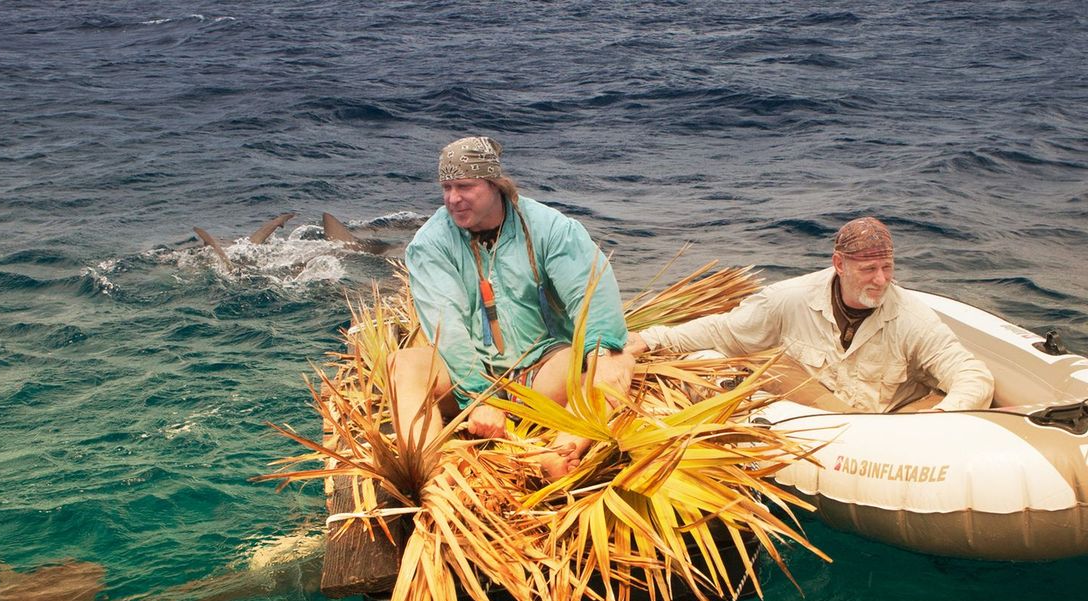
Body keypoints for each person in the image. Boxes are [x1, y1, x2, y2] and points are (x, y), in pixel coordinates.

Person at [389, 136, 634, 479]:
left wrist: (602, 350)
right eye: (446, 187)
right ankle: (431, 475)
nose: (452, 199)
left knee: (614, 359)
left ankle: (561, 451)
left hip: (541, 370)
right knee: (401, 364)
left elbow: (590, 295)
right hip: (465, 375)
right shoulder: (430, 244)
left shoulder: (550, 228)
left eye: (464, 186)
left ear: (494, 184)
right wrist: (480, 397)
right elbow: (448, 328)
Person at [625, 216, 993, 412]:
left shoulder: (912, 317)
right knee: (767, 362)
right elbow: (724, 332)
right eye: (868, 270)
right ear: (839, 264)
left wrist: (943, 415)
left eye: (887, 267)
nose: (880, 279)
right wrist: (650, 338)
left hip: (888, 427)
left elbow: (971, 374)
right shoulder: (789, 299)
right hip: (820, 411)